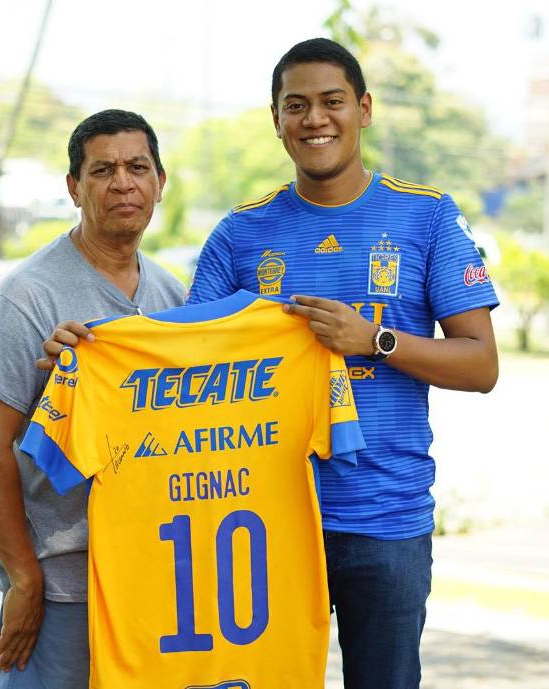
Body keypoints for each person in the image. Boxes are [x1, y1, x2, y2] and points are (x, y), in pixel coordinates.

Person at [185, 38, 500, 689]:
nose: (314, 119)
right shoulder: (240, 233)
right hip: (262, 521)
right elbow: (185, 361)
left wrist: (375, 340)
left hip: (385, 517)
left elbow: (481, 365)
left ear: (364, 109)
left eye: (332, 101)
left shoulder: (427, 216)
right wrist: (90, 346)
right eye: (296, 106)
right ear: (276, 119)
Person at [0, 109, 185, 689]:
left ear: (160, 182)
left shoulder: (173, 296)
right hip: (63, 588)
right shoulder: (28, 296)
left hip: (154, 581)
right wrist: (24, 579)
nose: (123, 183)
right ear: (74, 188)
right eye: (102, 170)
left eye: (138, 167)